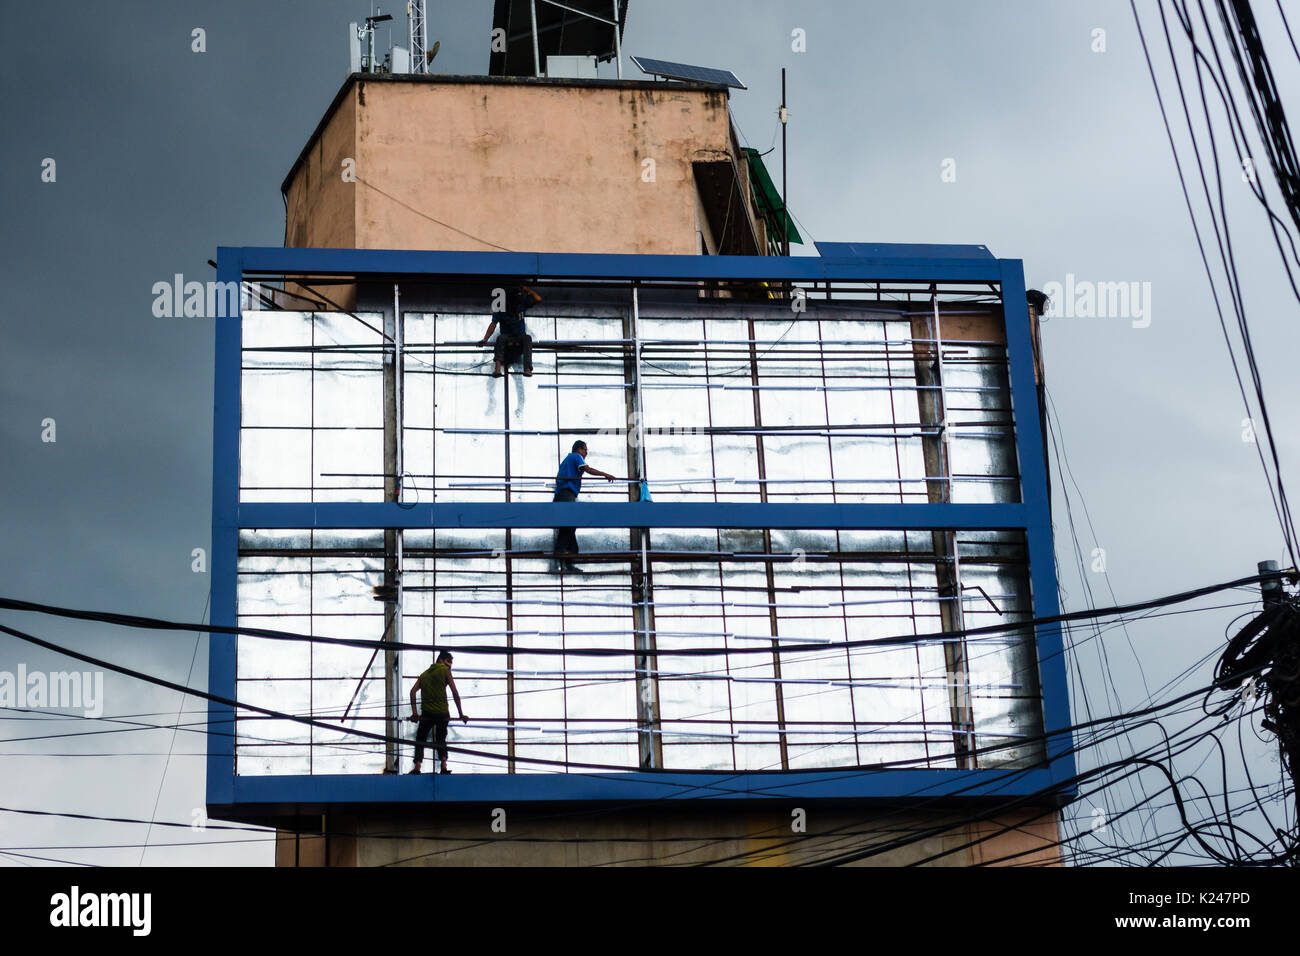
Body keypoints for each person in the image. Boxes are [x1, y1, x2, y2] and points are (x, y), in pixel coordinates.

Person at [552, 440, 616, 572]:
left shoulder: (566, 461)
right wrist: (606, 474)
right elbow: (587, 469)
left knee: (570, 525)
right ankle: (561, 551)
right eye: (585, 450)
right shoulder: (576, 457)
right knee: (568, 524)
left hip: (562, 495)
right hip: (566, 494)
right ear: (579, 449)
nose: (586, 453)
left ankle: (571, 555)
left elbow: (557, 478)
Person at [407, 650, 468, 774]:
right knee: (441, 739)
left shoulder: (424, 675)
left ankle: (417, 766)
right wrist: (461, 714)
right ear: (441, 660)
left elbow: (412, 691)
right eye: (448, 662)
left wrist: (415, 713)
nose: (449, 666)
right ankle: (444, 766)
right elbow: (455, 693)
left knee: (420, 739)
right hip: (442, 713)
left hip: (427, 714)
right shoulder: (445, 671)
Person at [478, 285, 541, 378]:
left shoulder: (522, 305)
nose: (515, 307)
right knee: (500, 338)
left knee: (527, 338)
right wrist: (485, 339)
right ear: (508, 303)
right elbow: (493, 324)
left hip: (520, 339)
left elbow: (538, 299)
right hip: (507, 340)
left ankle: (527, 369)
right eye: (514, 305)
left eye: (517, 305)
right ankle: (497, 369)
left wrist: (527, 290)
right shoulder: (501, 309)